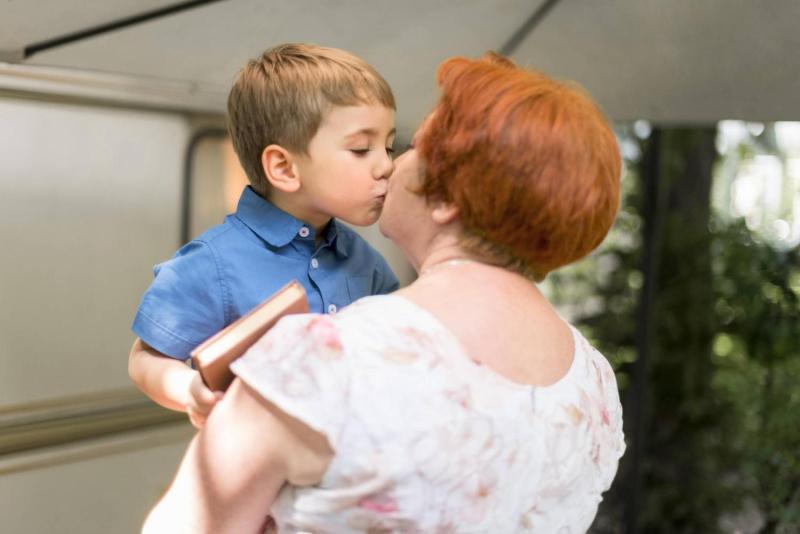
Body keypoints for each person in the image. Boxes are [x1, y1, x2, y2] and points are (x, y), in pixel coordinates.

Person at [143, 52, 626, 533]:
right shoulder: (595, 383)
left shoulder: (319, 362)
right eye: (365, 149)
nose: (390, 166)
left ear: (446, 199)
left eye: (409, 145)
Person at [128, 43, 399, 428]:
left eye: (388, 147)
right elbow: (145, 358)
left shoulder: (366, 262)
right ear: (284, 168)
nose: (386, 166)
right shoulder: (213, 263)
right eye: (361, 149)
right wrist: (189, 390)